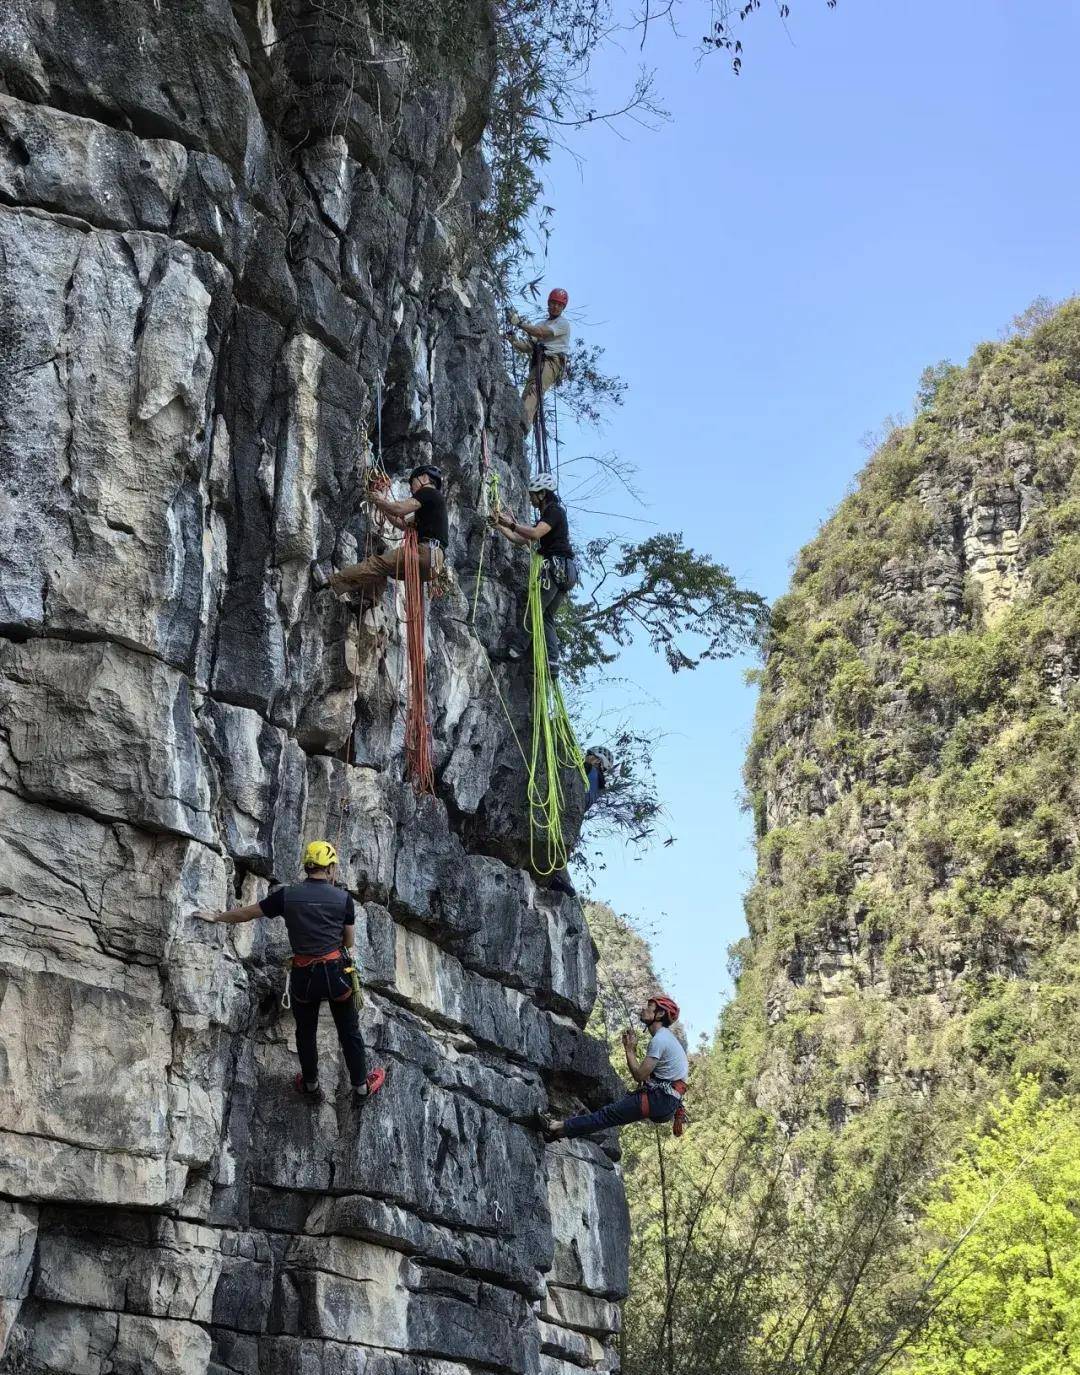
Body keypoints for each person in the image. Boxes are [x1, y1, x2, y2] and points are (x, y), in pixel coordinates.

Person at [194, 841, 385, 1104]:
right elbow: (348, 942)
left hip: (303, 977)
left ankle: (310, 1086)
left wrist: (218, 917)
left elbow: (249, 913)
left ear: (308, 866)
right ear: (329, 868)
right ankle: (361, 1089)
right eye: (334, 868)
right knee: (349, 1030)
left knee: (305, 1031)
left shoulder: (287, 895)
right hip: (335, 975)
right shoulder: (344, 900)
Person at [539, 994, 687, 1140]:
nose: (644, 1008)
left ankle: (554, 1127)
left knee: (607, 1115)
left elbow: (639, 1076)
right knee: (610, 1113)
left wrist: (629, 1049)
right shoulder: (667, 1039)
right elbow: (651, 1076)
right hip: (667, 1101)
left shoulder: (660, 1040)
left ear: (660, 1013)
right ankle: (558, 1132)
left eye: (649, 1006)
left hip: (661, 1099)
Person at [311, 465, 448, 606]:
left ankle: (327, 581)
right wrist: (381, 504)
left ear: (424, 477)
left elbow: (399, 510)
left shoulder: (428, 492)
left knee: (376, 563)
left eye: (412, 483)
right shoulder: (432, 508)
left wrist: (381, 500)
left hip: (425, 553)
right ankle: (367, 601)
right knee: (384, 569)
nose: (411, 489)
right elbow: (401, 523)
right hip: (432, 565)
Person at [491, 472, 577, 676]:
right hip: (566, 573)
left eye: (532, 495)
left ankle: (515, 651)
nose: (530, 499)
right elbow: (523, 540)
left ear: (542, 494)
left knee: (534, 609)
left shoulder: (554, 511)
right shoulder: (548, 516)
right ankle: (552, 664)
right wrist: (500, 526)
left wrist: (510, 523)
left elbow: (534, 534)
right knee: (546, 616)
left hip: (556, 569)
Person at [548, 746, 614, 897]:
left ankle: (552, 875)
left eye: (589, 755)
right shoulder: (598, 784)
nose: (586, 756)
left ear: (597, 760)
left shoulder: (588, 769)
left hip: (567, 807)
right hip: (574, 818)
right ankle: (554, 876)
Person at [508, 288, 571, 429]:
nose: (555, 307)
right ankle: (520, 423)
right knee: (528, 391)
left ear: (563, 308)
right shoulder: (542, 323)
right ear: (549, 303)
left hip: (553, 362)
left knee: (536, 389)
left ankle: (522, 423)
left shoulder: (562, 324)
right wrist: (513, 340)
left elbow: (540, 333)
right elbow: (527, 347)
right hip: (539, 361)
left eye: (559, 305)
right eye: (553, 303)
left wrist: (518, 323)